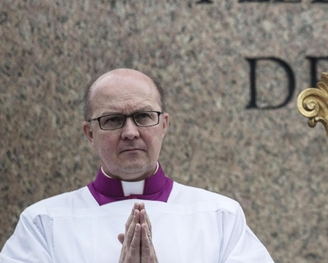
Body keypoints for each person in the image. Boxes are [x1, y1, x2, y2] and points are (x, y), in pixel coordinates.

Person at [0, 68, 274, 263]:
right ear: (89, 134)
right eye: (113, 119)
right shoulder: (43, 223)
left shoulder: (219, 216)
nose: (130, 132)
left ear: (164, 124)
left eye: (143, 116)